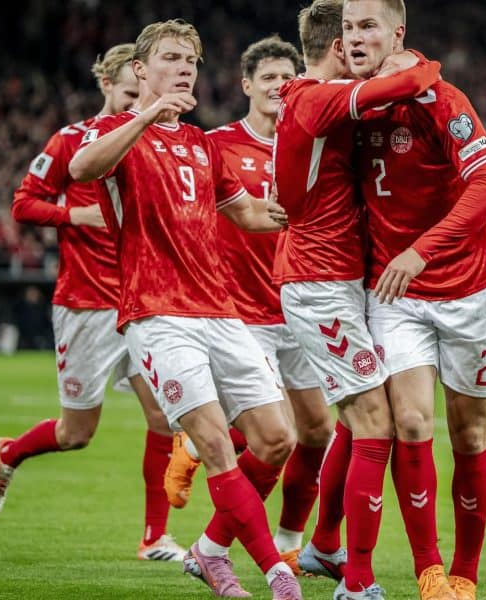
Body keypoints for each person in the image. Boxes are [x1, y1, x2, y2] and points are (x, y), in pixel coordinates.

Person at [68, 20, 302, 599]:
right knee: (218, 442)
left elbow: (247, 213)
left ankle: (207, 548)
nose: (184, 70)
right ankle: (273, 573)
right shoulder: (117, 130)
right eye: (171, 59)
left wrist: (305, 215)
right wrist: (149, 114)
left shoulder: (202, 144)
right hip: (156, 313)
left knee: (278, 438)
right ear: (142, 71)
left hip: (220, 311)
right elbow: (81, 170)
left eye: (191, 62)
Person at [0, 43, 186, 563]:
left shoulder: (157, 141)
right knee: (77, 433)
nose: (137, 102)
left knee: (164, 416)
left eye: (144, 96)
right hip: (85, 304)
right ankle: (9, 453)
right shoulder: (73, 141)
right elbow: (23, 203)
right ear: (108, 86)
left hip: (140, 302)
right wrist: (75, 216)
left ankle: (153, 537)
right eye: (129, 94)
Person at [273, 2, 442, 598]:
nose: (359, 43)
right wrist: (412, 58)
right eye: (352, 33)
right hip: (320, 287)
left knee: (355, 421)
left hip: (340, 280)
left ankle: (321, 546)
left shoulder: (309, 100)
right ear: (338, 48)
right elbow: (419, 80)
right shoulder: (315, 96)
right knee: (376, 425)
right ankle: (358, 582)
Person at [343, 2, 486, 598]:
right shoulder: (347, 103)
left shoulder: (443, 100)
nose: (357, 37)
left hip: (467, 288)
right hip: (394, 291)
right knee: (410, 421)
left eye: (369, 26)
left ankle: (466, 570)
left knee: (470, 435)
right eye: (349, 27)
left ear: (397, 33)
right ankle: (429, 569)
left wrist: (422, 249)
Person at [164, 34, 336, 575]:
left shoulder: (308, 143)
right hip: (238, 312)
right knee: (274, 433)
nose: (279, 88)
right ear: (247, 85)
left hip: (296, 307)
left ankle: (286, 536)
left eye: (288, 79)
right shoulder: (215, 145)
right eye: (268, 78)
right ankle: (202, 477)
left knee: (318, 431)